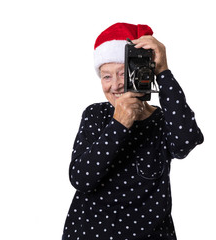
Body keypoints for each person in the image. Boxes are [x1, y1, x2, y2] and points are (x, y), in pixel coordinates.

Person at [62, 22, 204, 240]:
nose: (115, 85)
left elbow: (186, 141)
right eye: (106, 76)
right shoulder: (95, 115)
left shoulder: (161, 121)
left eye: (122, 73)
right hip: (90, 232)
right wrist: (118, 125)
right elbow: (81, 178)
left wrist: (163, 71)